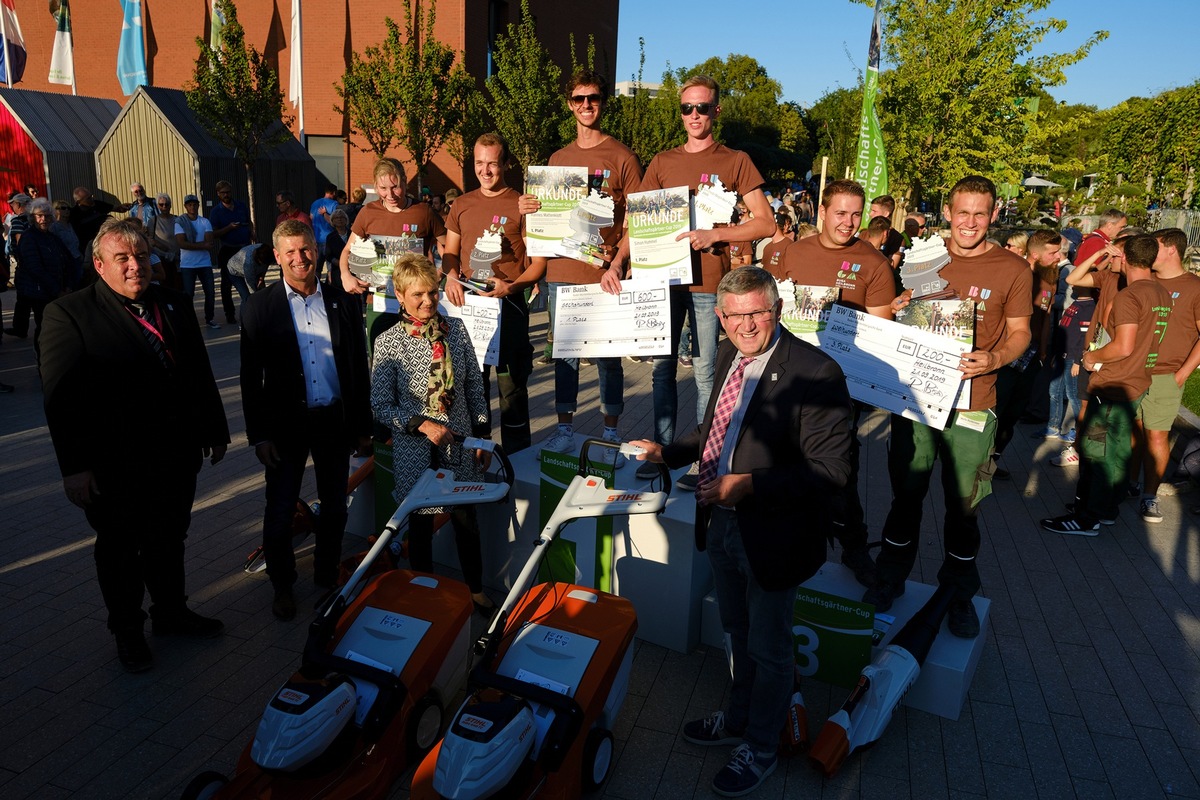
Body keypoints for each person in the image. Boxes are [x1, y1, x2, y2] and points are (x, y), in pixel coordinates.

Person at [631, 267, 852, 798]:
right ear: (720, 317)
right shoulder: (732, 355)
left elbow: (832, 470)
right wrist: (671, 451)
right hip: (722, 519)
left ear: (776, 310)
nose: (747, 325)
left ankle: (761, 743)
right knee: (736, 631)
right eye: (735, 315)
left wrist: (748, 486)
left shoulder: (817, 372)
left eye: (758, 312)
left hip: (773, 533)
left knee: (771, 648)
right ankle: (737, 718)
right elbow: (716, 428)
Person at [40, 217, 230, 672]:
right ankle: (127, 628)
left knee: (169, 539)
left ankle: (171, 613)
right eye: (122, 259)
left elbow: (199, 372)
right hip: (113, 464)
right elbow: (60, 401)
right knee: (120, 548)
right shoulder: (68, 313)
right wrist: (75, 467)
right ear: (100, 265)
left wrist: (214, 429)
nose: (134, 267)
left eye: (141, 257)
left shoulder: (176, 303)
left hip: (176, 454)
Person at [868, 175, 1032, 638]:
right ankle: (891, 574)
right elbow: (896, 313)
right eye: (963, 212)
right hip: (916, 400)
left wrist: (995, 358)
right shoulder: (923, 258)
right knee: (906, 494)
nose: (971, 222)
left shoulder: (1013, 269)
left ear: (995, 214)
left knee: (964, 506)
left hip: (973, 403)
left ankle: (959, 591)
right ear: (948, 212)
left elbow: (1021, 331)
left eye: (981, 213)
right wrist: (899, 305)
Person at [623, 74, 774, 487]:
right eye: (687, 108)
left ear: (716, 111)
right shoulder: (662, 162)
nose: (693, 115)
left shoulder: (735, 160)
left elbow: (765, 222)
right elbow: (637, 223)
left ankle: (703, 459)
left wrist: (717, 234)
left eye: (702, 108)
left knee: (707, 372)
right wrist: (624, 260)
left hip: (709, 285)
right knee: (660, 371)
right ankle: (661, 453)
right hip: (663, 283)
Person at [241, 219, 373, 621]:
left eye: (306, 249)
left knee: (334, 505)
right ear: (278, 257)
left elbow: (355, 368)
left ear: (316, 250)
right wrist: (259, 435)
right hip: (285, 427)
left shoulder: (341, 302)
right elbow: (250, 378)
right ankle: (282, 584)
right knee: (280, 508)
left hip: (333, 421)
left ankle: (326, 573)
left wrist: (362, 427)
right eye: (291, 252)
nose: (301, 258)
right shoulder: (259, 307)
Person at [777, 179, 896, 586]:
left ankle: (854, 547)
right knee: (784, 459)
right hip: (790, 378)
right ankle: (790, 539)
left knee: (837, 469)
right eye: (840, 213)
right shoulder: (793, 252)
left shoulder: (874, 263)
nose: (848, 222)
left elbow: (882, 329)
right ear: (822, 211)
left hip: (841, 386)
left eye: (855, 214)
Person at [520, 67, 642, 464]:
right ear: (570, 104)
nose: (586, 105)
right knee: (564, 355)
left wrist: (618, 263)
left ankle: (609, 434)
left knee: (608, 357)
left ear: (602, 102)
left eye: (593, 98)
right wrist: (528, 209)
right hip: (562, 274)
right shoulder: (558, 159)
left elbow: (637, 221)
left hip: (603, 275)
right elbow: (544, 220)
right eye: (578, 99)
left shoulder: (622, 156)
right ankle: (565, 431)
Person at [371, 254, 496, 615]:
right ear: (399, 294)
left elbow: (474, 384)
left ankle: (474, 590)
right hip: (416, 449)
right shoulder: (388, 342)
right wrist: (421, 424)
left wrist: (482, 434)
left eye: (433, 293)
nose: (428, 302)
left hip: (459, 444)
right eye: (418, 295)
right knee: (421, 526)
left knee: (465, 520)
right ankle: (423, 594)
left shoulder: (455, 329)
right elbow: (380, 405)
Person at [1041, 235, 1170, 534]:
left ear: (1124, 259)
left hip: (1112, 384)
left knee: (1097, 448)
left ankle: (1088, 518)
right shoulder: (1160, 293)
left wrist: (1091, 358)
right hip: (1136, 382)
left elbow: (1123, 346)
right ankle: (1105, 509)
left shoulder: (1130, 295)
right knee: (1117, 449)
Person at [443, 132, 541, 453]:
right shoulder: (461, 203)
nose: (485, 171)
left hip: (509, 307)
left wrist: (512, 287)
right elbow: (451, 254)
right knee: (474, 390)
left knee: (512, 392)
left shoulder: (522, 205)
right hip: (470, 310)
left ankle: (517, 461)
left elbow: (539, 265)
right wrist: (451, 276)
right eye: (479, 163)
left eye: (493, 164)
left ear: (507, 164)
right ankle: (479, 456)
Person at [1130, 228, 1200, 523]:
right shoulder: (1145, 280)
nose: (1148, 250)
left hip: (1166, 375)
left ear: (1171, 249)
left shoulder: (1194, 287)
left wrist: (1182, 374)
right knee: (1131, 433)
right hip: (1134, 371)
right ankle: (1128, 485)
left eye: (1154, 245)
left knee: (1156, 436)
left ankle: (1150, 496)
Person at [338, 157, 447, 340]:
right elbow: (348, 249)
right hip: (379, 303)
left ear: (404, 182)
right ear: (375, 186)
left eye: (395, 186)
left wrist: (440, 273)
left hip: (417, 305)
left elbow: (448, 246)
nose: (390, 194)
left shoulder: (423, 211)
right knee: (381, 364)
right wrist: (345, 275)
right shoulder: (368, 212)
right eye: (383, 188)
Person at [9, 198, 80, 358]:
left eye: (47, 216)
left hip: (56, 291)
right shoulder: (29, 238)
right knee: (45, 326)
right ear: (32, 218)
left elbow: (68, 262)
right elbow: (35, 269)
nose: (44, 219)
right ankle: (44, 358)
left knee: (54, 326)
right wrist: (57, 290)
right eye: (39, 216)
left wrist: (68, 286)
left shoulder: (52, 237)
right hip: (39, 292)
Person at [209, 180, 255, 324]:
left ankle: (252, 309)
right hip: (228, 249)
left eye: (228, 192)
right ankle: (229, 313)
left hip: (245, 247)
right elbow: (214, 233)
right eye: (223, 193)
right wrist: (228, 228)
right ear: (218, 194)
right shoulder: (216, 212)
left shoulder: (241, 205)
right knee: (227, 283)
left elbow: (249, 221)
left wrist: (252, 233)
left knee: (250, 279)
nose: (226, 195)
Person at [175, 194, 219, 329]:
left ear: (198, 205)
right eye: (189, 204)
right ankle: (189, 320)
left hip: (205, 263)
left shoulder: (205, 221)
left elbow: (209, 242)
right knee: (189, 294)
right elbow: (181, 243)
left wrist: (194, 245)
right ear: (185, 206)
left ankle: (209, 318)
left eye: (195, 204)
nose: (192, 207)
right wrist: (202, 245)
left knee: (210, 292)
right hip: (187, 265)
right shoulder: (180, 222)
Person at [150, 193, 181, 290]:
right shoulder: (153, 220)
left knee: (178, 286)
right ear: (157, 206)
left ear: (170, 205)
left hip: (177, 260)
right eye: (161, 204)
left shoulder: (177, 219)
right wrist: (162, 247)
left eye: (166, 204)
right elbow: (151, 239)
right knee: (165, 287)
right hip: (161, 259)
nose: (164, 207)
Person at [310, 183, 338, 277]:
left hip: (316, 239)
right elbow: (335, 222)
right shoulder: (334, 204)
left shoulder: (315, 203)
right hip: (330, 240)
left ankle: (316, 288)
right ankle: (330, 287)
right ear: (333, 193)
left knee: (317, 268)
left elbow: (311, 218)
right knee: (330, 268)